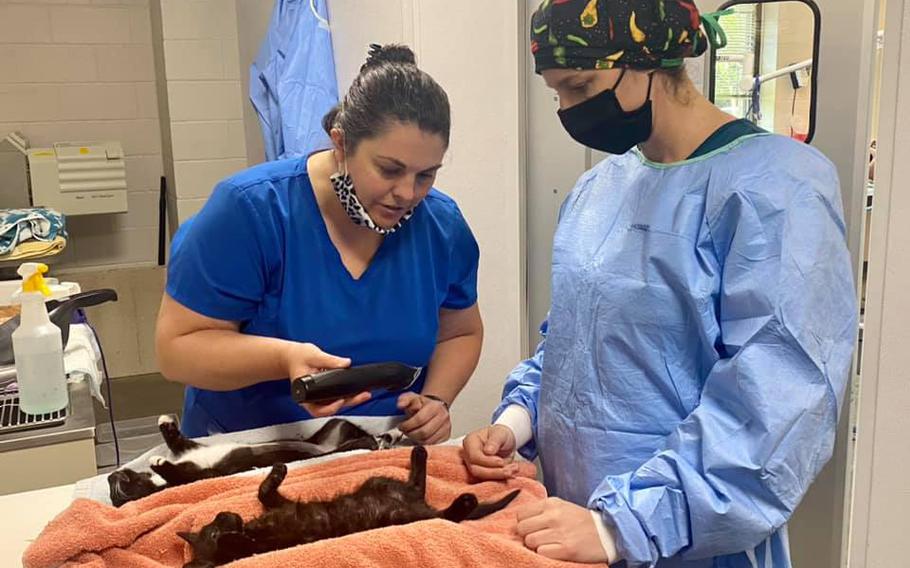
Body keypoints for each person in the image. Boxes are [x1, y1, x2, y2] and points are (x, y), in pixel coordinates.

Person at [463, 1, 857, 567]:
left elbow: (776, 406)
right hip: (571, 524)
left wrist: (623, 527)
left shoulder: (777, 190)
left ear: (650, 61)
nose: (570, 110)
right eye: (557, 95)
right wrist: (516, 421)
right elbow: (573, 342)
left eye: (580, 85)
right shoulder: (598, 190)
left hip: (689, 538)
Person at [156, 44, 482, 445]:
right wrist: (282, 360)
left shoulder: (440, 227)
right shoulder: (252, 211)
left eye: (425, 175)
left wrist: (436, 400)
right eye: (389, 170)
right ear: (340, 145)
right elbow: (177, 349)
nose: (407, 193)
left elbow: (460, 334)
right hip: (250, 452)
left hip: (380, 451)